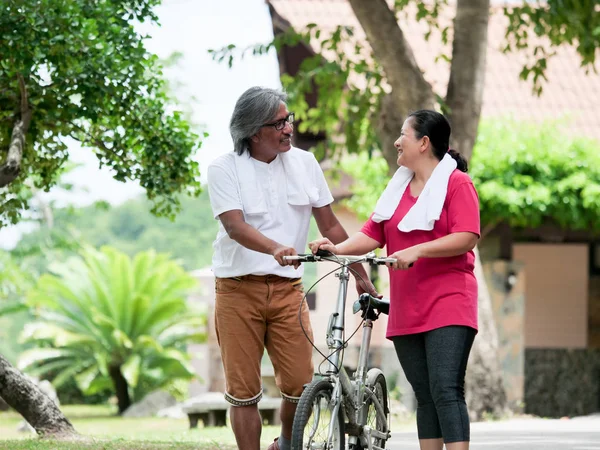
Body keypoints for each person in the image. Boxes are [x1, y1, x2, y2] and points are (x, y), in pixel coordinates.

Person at [206, 86, 377, 450]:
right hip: (237, 291)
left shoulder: (305, 163)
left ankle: (285, 443)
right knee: (244, 391)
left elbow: (330, 226)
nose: (289, 128)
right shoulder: (224, 169)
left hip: (288, 290)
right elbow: (235, 226)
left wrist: (362, 275)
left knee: (301, 385)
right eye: (279, 123)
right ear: (254, 131)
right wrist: (274, 248)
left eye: (289, 119)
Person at [310, 110, 480, 450]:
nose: (396, 141)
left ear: (424, 142)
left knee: (445, 389)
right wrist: (336, 248)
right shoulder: (398, 187)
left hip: (449, 301)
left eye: (403, 134)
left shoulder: (457, 183)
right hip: (407, 305)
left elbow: (467, 236)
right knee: (424, 395)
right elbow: (372, 233)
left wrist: (418, 251)